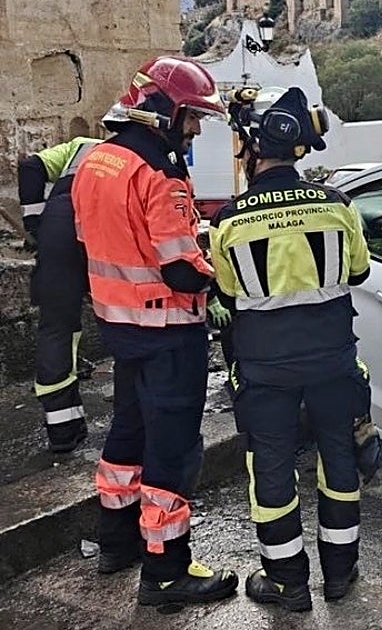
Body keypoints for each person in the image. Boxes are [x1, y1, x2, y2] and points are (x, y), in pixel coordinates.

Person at [72, 56, 238, 605]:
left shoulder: (97, 160)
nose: (195, 130)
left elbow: (95, 241)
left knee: (127, 435)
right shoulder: (159, 173)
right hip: (168, 329)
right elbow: (180, 269)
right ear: (163, 109)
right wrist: (222, 275)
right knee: (172, 450)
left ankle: (116, 544)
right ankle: (166, 572)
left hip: (119, 327)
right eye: (192, 117)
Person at [209, 85, 372, 611]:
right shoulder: (337, 206)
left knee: (271, 471)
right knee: (339, 461)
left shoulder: (228, 222)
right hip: (333, 362)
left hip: (265, 371)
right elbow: (359, 272)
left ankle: (286, 583)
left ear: (254, 147)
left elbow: (228, 295)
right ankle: (340, 575)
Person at [18, 135, 101, 453]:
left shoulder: (81, 146)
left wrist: (35, 224)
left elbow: (30, 167)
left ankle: (63, 431)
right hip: (99, 227)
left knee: (57, 329)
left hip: (57, 227)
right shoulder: (143, 155)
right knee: (126, 322)